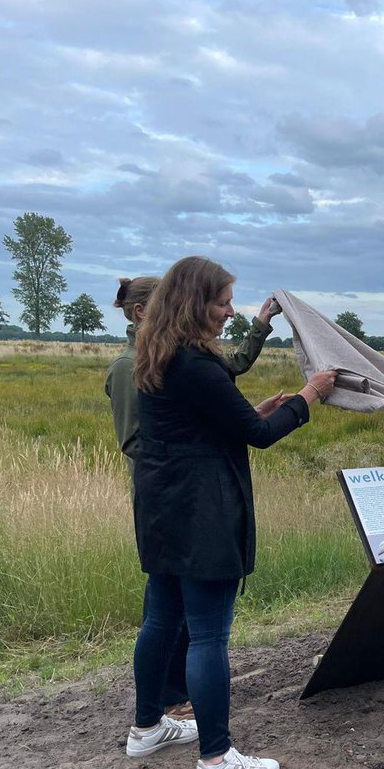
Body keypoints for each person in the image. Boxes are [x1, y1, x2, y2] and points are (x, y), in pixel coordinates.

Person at [127, 256, 337, 769]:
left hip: (162, 512)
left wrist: (257, 409)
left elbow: (213, 423)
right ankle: (217, 761)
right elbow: (258, 436)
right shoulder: (195, 364)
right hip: (203, 517)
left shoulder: (156, 354)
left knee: (161, 620)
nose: (228, 312)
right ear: (195, 303)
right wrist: (309, 395)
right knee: (209, 635)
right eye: (222, 302)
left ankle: (147, 727)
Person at [105, 277, 282, 720]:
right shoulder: (134, 365)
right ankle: (204, 739)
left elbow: (225, 372)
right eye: (221, 303)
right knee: (197, 629)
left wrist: (260, 326)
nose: (228, 311)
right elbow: (137, 443)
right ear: (145, 310)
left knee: (173, 618)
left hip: (176, 499)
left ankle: (158, 713)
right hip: (178, 501)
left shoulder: (175, 356)